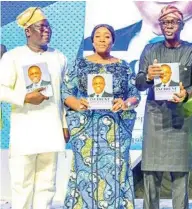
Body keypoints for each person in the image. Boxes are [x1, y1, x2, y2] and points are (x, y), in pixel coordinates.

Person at [62, 24, 140, 209]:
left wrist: (125, 103)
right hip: (86, 131)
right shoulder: (79, 64)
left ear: (113, 41)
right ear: (92, 40)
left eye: (107, 36)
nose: (102, 39)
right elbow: (66, 92)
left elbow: (135, 95)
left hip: (116, 133)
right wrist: (78, 104)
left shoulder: (123, 66)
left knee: (116, 170)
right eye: (98, 36)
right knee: (85, 171)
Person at [135, 5, 192, 209]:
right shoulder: (150, 50)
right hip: (155, 114)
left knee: (180, 173)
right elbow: (138, 82)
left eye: (173, 22)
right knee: (150, 173)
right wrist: (148, 76)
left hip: (183, 114)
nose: (169, 26)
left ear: (182, 25)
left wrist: (186, 94)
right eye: (165, 22)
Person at [0, 7, 68, 209]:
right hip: (25, 130)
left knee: (47, 184)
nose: (47, 30)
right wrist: (25, 97)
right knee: (22, 182)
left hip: (52, 129)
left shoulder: (59, 57)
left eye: (48, 26)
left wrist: (64, 124)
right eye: (42, 27)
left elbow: (63, 94)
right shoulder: (12, 57)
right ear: (27, 31)